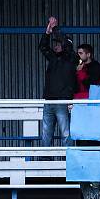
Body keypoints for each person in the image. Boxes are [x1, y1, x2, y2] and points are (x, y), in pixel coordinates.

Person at [39, 17, 77, 147]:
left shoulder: (72, 57)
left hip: (62, 101)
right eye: (54, 43)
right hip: (49, 100)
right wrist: (47, 33)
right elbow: (43, 47)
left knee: (65, 133)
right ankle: (45, 159)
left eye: (58, 43)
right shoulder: (53, 57)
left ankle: (69, 159)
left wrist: (55, 28)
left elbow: (66, 45)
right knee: (46, 133)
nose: (55, 45)